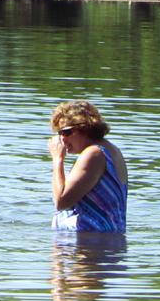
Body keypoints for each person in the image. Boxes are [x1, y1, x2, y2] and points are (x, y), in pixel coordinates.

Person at [48, 99, 127, 232]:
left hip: (89, 244)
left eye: (66, 132)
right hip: (105, 241)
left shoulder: (93, 154)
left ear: (84, 128)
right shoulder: (111, 149)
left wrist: (58, 159)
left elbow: (60, 202)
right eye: (59, 133)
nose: (62, 139)